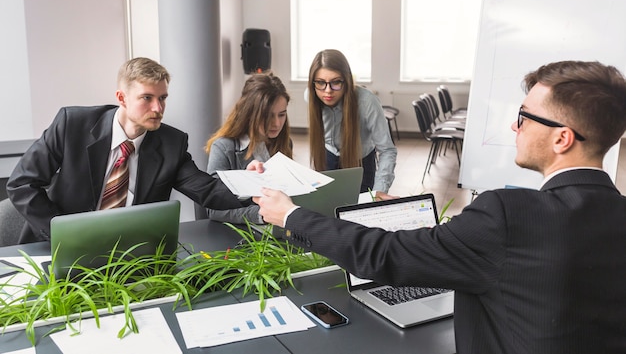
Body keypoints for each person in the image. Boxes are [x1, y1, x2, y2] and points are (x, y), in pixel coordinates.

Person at [254, 60, 626, 354]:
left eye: (525, 117)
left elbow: (386, 255)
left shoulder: (508, 215)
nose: (515, 127)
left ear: (562, 138)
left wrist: (291, 215)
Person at [7, 57, 243, 244]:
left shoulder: (171, 142)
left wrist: (257, 189)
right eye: (147, 98)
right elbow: (21, 184)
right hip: (60, 246)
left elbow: (207, 190)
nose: (158, 108)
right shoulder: (72, 124)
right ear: (122, 97)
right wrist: (62, 233)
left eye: (162, 98)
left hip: (129, 256)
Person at [307, 49, 397, 199]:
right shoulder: (311, 95)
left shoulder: (367, 102)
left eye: (336, 82)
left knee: (358, 213)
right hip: (327, 157)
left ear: (346, 80)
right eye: (321, 82)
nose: (327, 91)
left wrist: (379, 190)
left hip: (360, 162)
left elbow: (387, 150)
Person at [204, 72, 292, 224]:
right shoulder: (224, 147)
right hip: (243, 235)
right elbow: (213, 209)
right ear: (250, 113)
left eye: (281, 115)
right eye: (268, 116)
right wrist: (264, 214)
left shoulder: (284, 143)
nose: (276, 123)